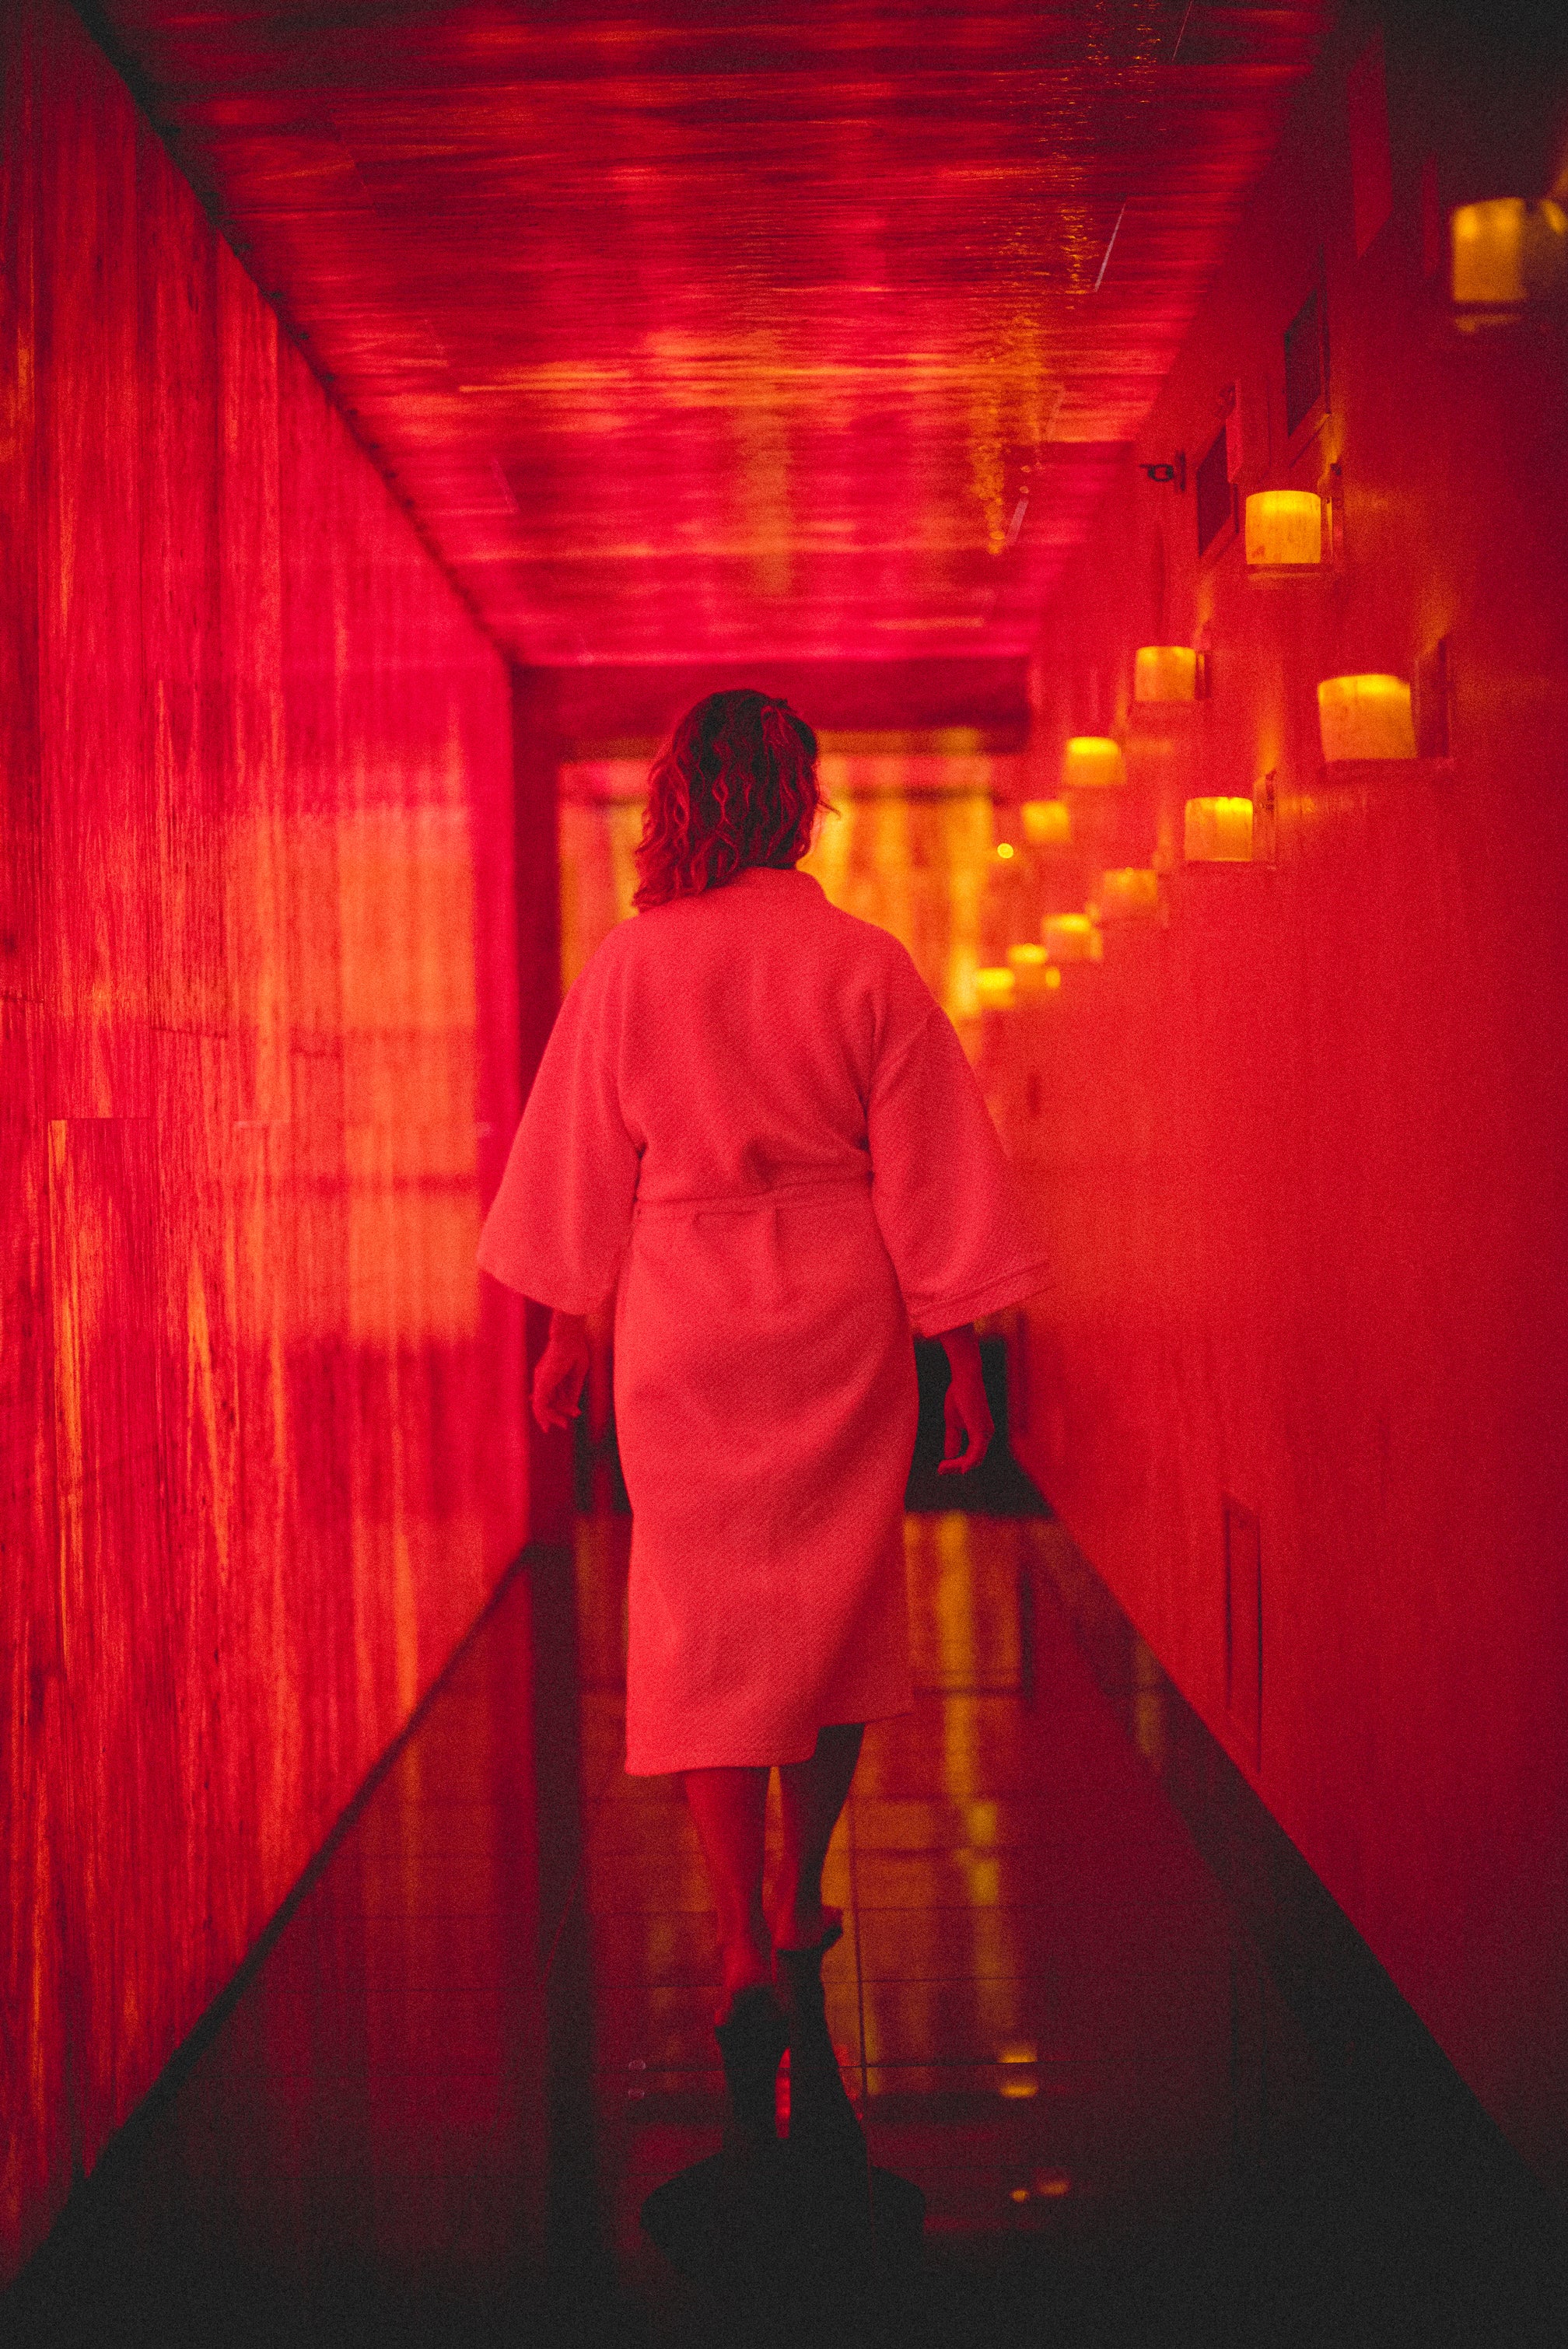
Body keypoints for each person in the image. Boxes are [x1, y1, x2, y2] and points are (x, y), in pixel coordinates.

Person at [477, 688, 1048, 2163]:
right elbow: (932, 1176)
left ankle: (738, 1932)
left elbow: (576, 1163)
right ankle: (804, 1889)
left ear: (679, 797)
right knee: (840, 1602)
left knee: (700, 1611)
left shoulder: (628, 967)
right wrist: (963, 1357)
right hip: (837, 1308)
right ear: (801, 799)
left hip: (684, 1315)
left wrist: (568, 1328)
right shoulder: (864, 965)